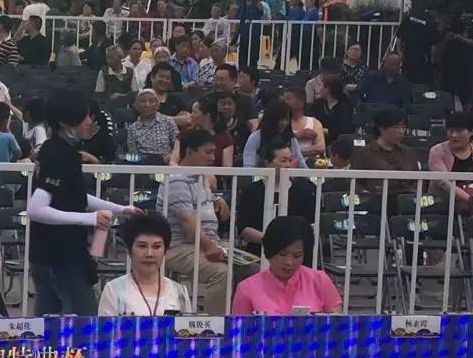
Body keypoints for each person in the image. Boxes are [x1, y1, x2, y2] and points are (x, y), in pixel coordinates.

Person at [28, 90, 137, 315]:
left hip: (49, 255)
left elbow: (72, 196)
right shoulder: (59, 154)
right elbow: (36, 209)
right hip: (60, 257)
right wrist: (90, 218)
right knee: (83, 325)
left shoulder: (59, 150)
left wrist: (120, 209)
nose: (90, 121)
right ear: (64, 121)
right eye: (84, 116)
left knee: (47, 326)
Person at [159, 128, 253, 315]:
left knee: (254, 268)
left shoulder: (200, 178)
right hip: (180, 246)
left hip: (207, 243)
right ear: (190, 151)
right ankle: (215, 324)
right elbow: (187, 221)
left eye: (213, 152)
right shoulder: (176, 179)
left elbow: (197, 203)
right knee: (221, 273)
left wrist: (216, 199)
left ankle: (239, 318)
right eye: (208, 152)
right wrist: (209, 247)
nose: (212, 157)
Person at [232, 216, 342, 315]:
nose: (289, 262)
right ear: (270, 252)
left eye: (297, 256)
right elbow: (239, 328)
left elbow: (336, 322)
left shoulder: (320, 281)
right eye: (282, 254)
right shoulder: (247, 288)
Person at [98, 213, 193, 316]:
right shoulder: (114, 290)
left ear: (165, 250)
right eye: (142, 246)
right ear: (129, 251)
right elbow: (105, 326)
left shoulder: (179, 293)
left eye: (156, 247)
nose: (149, 254)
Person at [235, 139, 317, 258]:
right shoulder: (252, 191)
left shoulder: (304, 189)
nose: (288, 165)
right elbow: (243, 227)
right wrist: (270, 241)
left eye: (290, 160)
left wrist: (289, 243)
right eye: (283, 160)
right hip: (259, 249)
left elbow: (309, 223)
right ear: (267, 163)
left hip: (296, 251)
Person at [352, 107, 419, 208]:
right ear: (382, 129)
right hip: (376, 203)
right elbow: (355, 182)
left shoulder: (408, 152)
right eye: (396, 127)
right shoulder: (364, 153)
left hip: (407, 204)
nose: (401, 131)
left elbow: (417, 180)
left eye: (403, 127)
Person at [427, 111, 473, 212]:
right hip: (444, 204)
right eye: (450, 131)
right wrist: (470, 200)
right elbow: (443, 182)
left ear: (471, 132)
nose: (454, 135)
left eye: (459, 131)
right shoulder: (437, 151)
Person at [243, 100, 309, 168]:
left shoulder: (291, 140)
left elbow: (301, 165)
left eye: (286, 119)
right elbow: (248, 166)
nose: (284, 123)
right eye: (281, 119)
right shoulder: (255, 138)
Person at [125, 89, 179, 159]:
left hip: (166, 162)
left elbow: (177, 146)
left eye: (151, 101)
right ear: (137, 106)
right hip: (143, 164)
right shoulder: (132, 128)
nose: (147, 104)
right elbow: (133, 154)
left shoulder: (168, 122)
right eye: (143, 101)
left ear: (157, 104)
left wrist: (171, 158)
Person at [280, 86, 326, 163]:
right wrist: (296, 136)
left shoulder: (314, 122)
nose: (283, 102)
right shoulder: (281, 122)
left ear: (300, 102)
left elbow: (320, 147)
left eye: (288, 99)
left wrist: (295, 152)